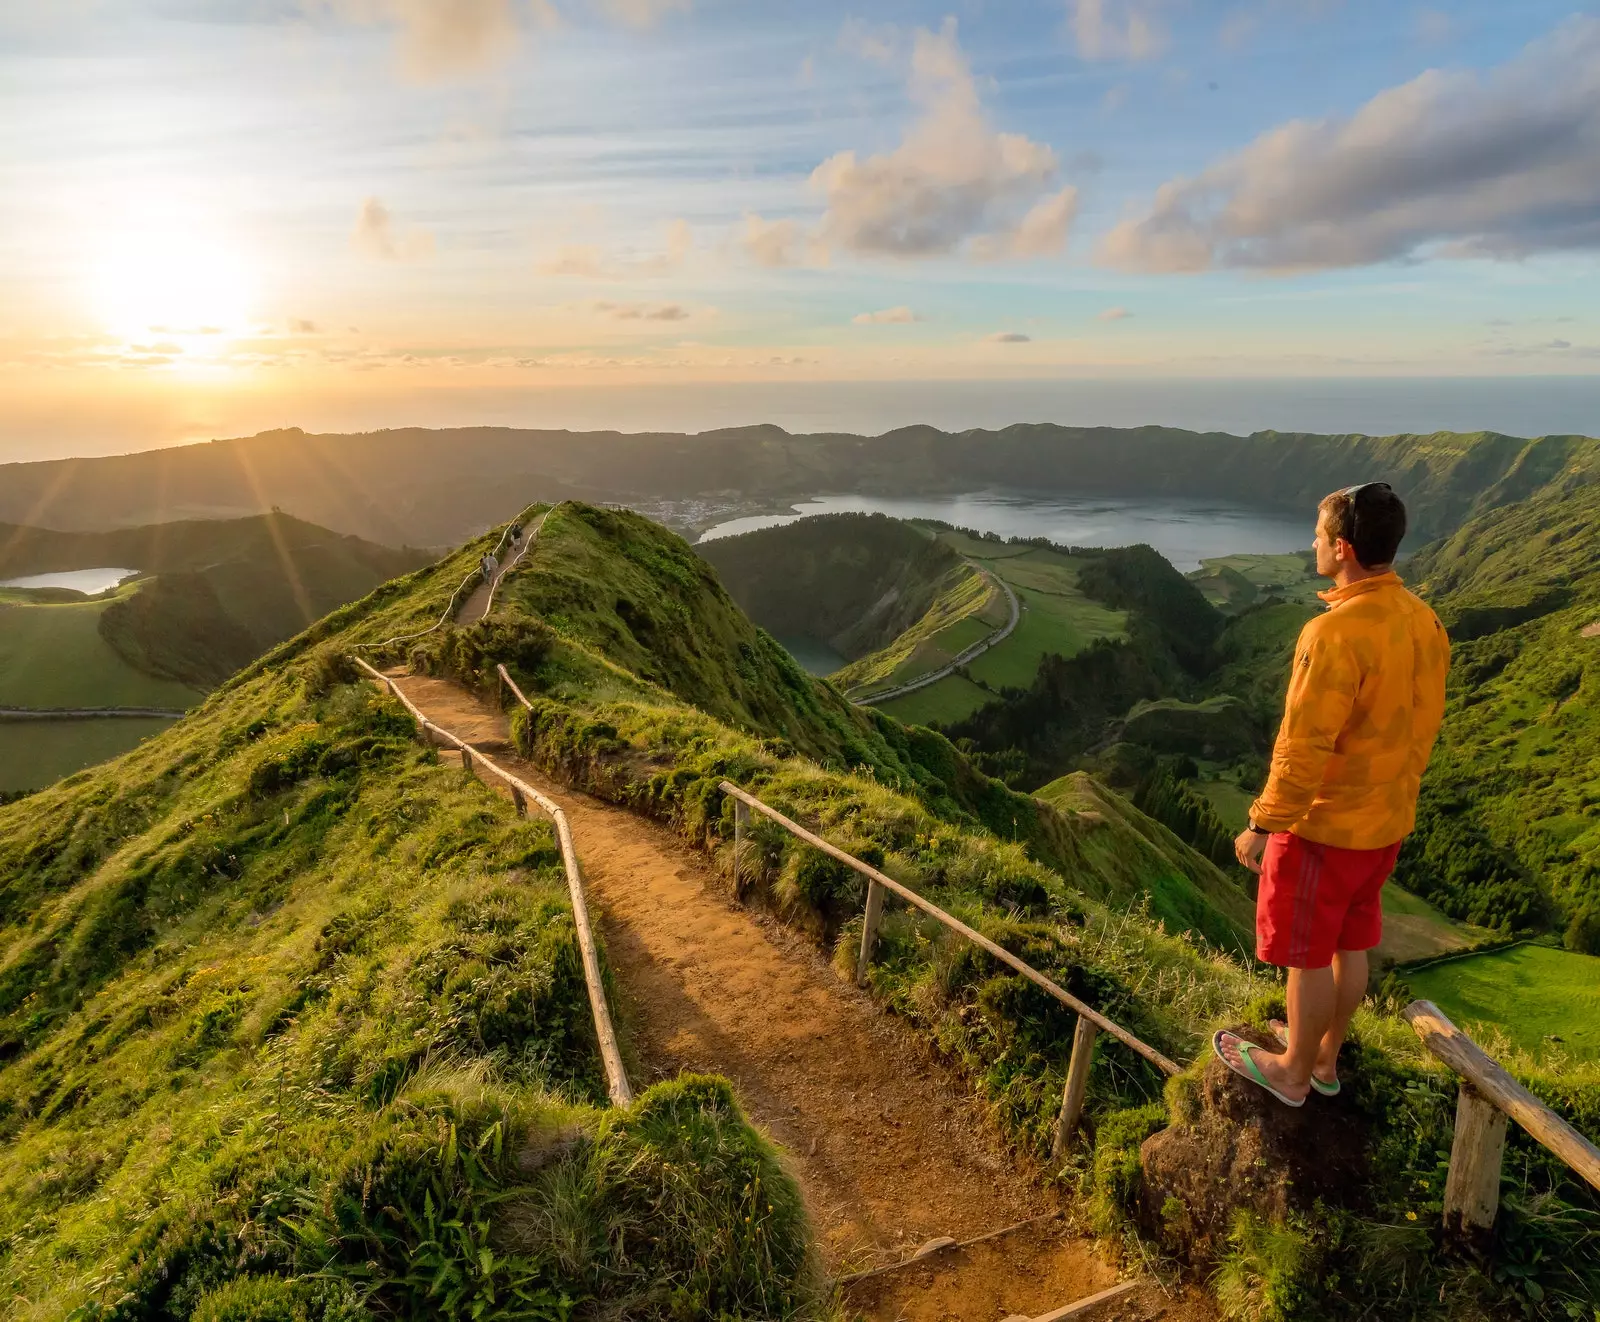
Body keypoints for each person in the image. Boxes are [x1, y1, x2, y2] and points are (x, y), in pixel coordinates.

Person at [1215, 482, 1449, 1107]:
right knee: (1353, 944)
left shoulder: (1334, 634)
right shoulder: (1423, 621)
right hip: (1386, 823)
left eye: (1318, 536)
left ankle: (1292, 1072)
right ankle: (1323, 1057)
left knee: (1307, 955)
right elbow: (1423, 724)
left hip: (1325, 828)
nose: (1311, 544)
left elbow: (1302, 745)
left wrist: (1264, 824)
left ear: (1342, 548)